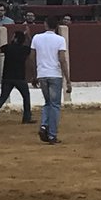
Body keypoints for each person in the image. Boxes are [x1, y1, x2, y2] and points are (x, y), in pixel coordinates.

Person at [32, 15, 70, 144]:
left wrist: (35, 74)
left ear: (45, 24)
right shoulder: (60, 39)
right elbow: (62, 60)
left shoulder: (36, 38)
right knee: (55, 105)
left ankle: (44, 125)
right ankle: (52, 135)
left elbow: (32, 57)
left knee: (48, 103)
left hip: (42, 74)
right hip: (55, 74)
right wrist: (68, 80)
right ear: (57, 26)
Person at [0, 28, 33, 123]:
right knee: (26, 97)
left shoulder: (8, 47)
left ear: (16, 39)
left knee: (3, 97)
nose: (12, 38)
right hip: (20, 78)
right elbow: (32, 45)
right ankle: (27, 118)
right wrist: (28, 36)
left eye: (13, 37)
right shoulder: (24, 49)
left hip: (7, 77)